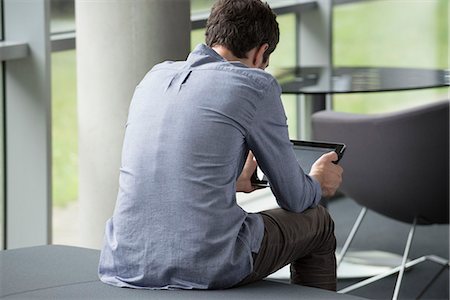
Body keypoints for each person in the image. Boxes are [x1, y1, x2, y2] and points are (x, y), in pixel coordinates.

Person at [98, 0, 343, 292]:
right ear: (261, 52)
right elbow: (294, 198)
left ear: (213, 35)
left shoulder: (154, 77)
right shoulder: (255, 84)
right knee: (318, 222)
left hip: (125, 259)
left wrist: (231, 180)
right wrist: (317, 182)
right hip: (209, 263)